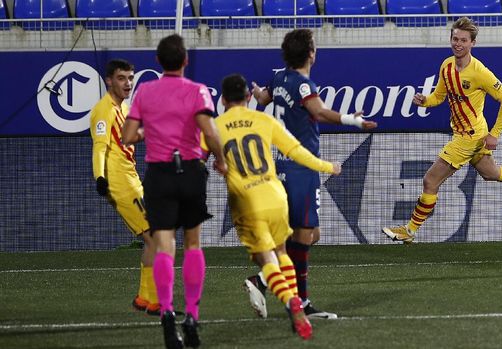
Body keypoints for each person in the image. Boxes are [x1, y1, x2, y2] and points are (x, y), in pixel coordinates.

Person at [382, 17, 502, 244]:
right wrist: (425, 101)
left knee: (430, 181)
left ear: (473, 43)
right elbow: (440, 96)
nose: (458, 44)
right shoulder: (446, 66)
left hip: (469, 137)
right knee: (491, 173)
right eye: (455, 39)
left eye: (463, 40)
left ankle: (410, 231)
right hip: (466, 133)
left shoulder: (479, 72)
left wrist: (495, 134)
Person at [251, 28, 377, 320]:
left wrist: (257, 92)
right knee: (305, 233)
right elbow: (319, 112)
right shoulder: (303, 85)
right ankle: (292, 296)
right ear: (311, 53)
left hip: (281, 164)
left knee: (309, 234)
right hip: (301, 168)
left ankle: (269, 282)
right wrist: (352, 121)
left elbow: (263, 97)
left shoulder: (279, 77)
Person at [216, 73, 342, 340]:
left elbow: (195, 156)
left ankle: (290, 302)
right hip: (274, 196)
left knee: (268, 257)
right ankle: (293, 298)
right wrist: (329, 166)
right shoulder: (265, 120)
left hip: (246, 201)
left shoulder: (215, 127)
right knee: (284, 251)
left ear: (223, 99)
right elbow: (297, 152)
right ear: (249, 98)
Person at [122, 34, 227, 349]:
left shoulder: (145, 92)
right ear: (185, 61)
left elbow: (128, 135)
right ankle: (192, 316)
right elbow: (210, 131)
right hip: (191, 172)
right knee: (193, 245)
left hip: (159, 175)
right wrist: (220, 160)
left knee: (164, 247)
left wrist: (146, 130)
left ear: (157, 62)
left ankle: (167, 314)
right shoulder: (196, 91)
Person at [89, 58, 159, 316]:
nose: (128, 83)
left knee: (152, 239)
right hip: (119, 181)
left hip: (131, 178)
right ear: (109, 81)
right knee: (155, 238)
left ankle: (144, 298)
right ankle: (155, 301)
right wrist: (100, 178)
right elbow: (99, 146)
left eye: (130, 78)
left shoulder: (124, 106)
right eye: (121, 78)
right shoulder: (103, 109)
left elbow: (130, 137)